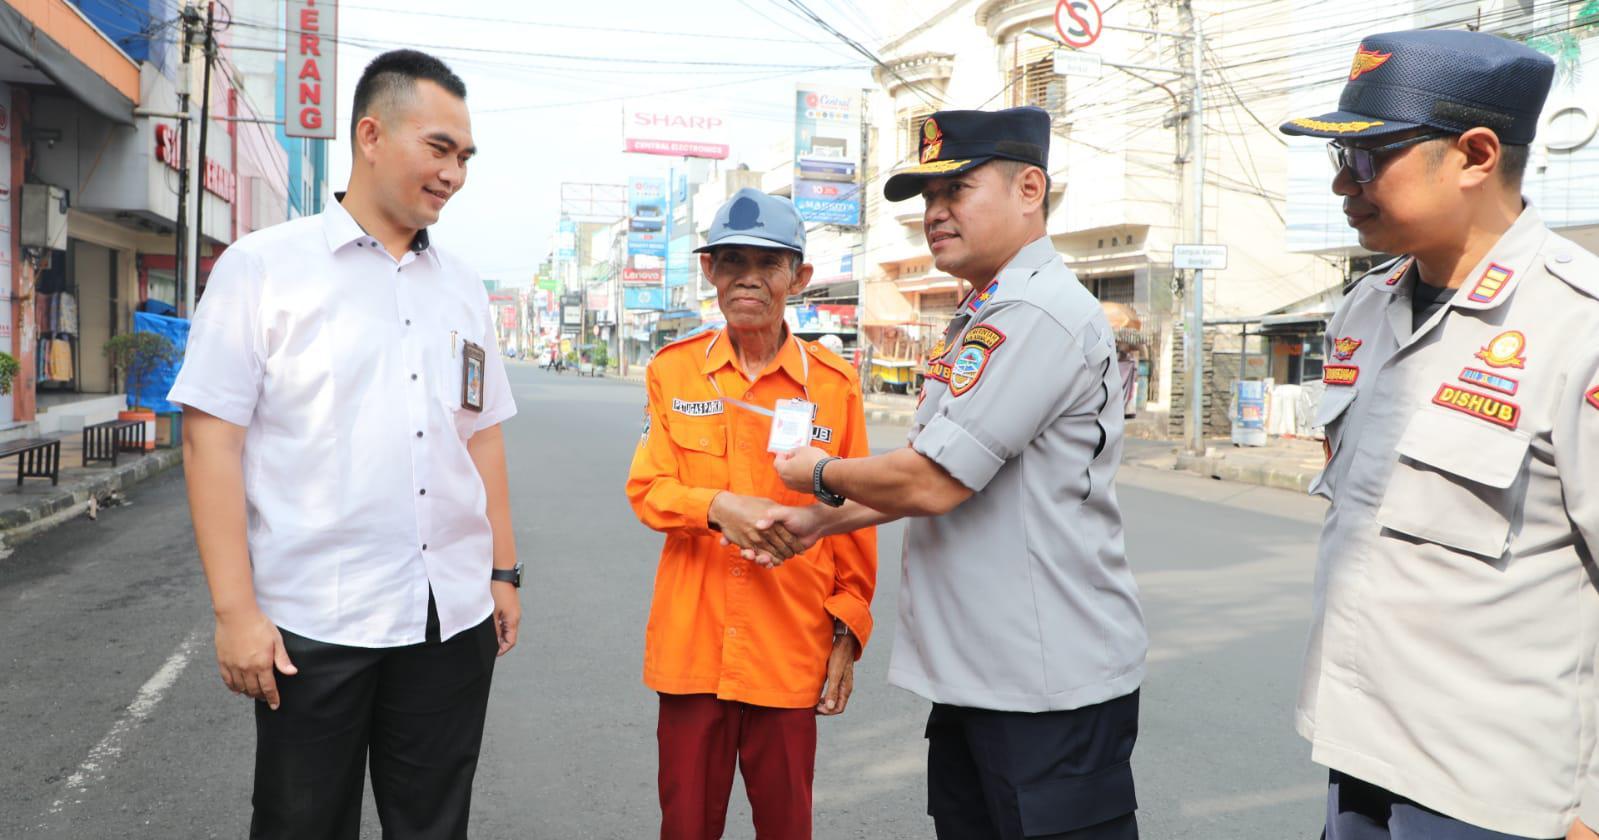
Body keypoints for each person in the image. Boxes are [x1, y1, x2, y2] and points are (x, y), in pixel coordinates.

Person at [767, 107, 1147, 839]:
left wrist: (820, 476)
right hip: (985, 671)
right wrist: (825, 521)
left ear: (1028, 188)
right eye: (926, 200)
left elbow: (930, 483)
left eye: (956, 191)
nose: (934, 214)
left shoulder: (1036, 312)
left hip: (1045, 684)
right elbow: (943, 479)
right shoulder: (985, 313)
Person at [169, 50, 520, 840]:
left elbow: (481, 433)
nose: (454, 174)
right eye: (438, 148)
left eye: (464, 157)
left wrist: (502, 571)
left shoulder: (463, 285)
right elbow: (210, 442)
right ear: (370, 133)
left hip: (448, 617)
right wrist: (235, 612)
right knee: (301, 824)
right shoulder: (263, 268)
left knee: (432, 824)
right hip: (315, 623)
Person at [1279, 29, 1599, 840]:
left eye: (1366, 159)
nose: (1340, 185)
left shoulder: (1575, 325)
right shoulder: (1362, 308)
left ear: (1474, 155)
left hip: (1504, 797)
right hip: (1361, 758)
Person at [624, 188, 877, 840]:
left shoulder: (832, 384)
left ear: (799, 277)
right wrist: (713, 507)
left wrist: (846, 631)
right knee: (685, 828)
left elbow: (856, 513)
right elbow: (648, 488)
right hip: (692, 648)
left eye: (767, 263)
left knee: (786, 827)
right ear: (708, 272)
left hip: (787, 648)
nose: (747, 277)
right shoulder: (674, 373)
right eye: (730, 260)